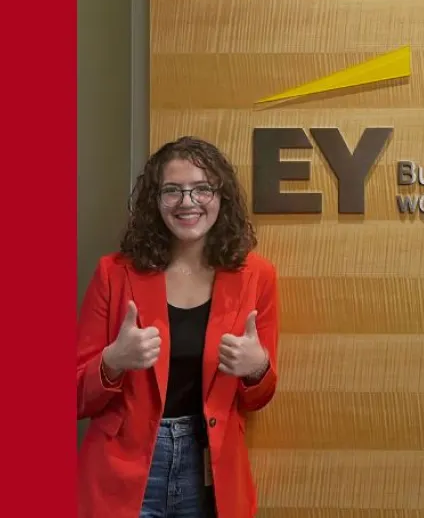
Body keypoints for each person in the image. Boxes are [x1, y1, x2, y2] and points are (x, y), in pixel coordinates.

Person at [77, 137, 279, 518]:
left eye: (202, 189)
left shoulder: (258, 276)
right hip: (124, 470)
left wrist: (256, 368)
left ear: (222, 197)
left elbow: (257, 398)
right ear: (155, 201)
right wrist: (113, 362)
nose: (188, 202)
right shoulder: (114, 273)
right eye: (172, 190)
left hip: (209, 471)